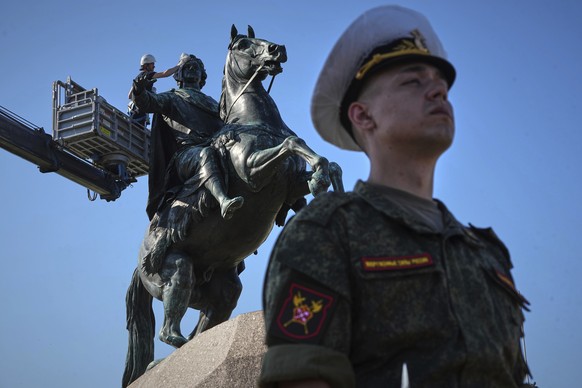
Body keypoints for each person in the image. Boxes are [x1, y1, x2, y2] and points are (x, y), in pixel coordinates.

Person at [259, 5, 534, 388]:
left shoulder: (486, 253)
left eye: (439, 81)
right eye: (412, 82)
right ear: (363, 116)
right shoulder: (327, 233)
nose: (439, 89)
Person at [131, 54, 243, 221]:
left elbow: (228, 123)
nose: (192, 69)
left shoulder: (213, 103)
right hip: (186, 155)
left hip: (215, 146)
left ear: (202, 76)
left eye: (196, 67)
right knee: (205, 154)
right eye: (187, 67)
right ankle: (223, 201)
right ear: (178, 75)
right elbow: (148, 103)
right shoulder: (171, 97)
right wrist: (139, 91)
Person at [128, 53, 187, 127]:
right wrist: (180, 64)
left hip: (135, 111)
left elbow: (129, 96)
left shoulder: (138, 77)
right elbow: (165, 74)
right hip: (140, 111)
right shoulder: (147, 75)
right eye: (152, 64)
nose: (154, 66)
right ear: (146, 65)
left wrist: (148, 92)